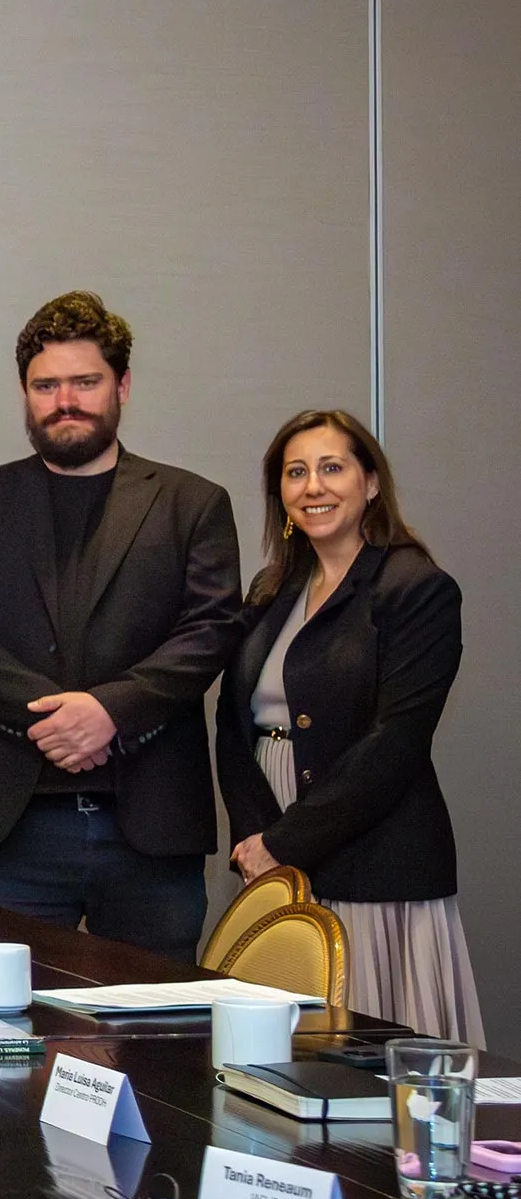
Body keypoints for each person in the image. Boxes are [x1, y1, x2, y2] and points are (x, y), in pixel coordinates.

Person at [0, 292, 241, 959]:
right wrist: (57, 718)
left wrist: (110, 711)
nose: (65, 399)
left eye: (85, 381)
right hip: (6, 827)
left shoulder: (192, 503)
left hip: (149, 822)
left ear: (122, 384)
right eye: (46, 385)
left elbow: (209, 629)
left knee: (159, 1039)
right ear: (25, 393)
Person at [217, 410, 478, 1041]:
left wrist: (287, 843)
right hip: (274, 852)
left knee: (372, 1056)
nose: (314, 487)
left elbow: (397, 741)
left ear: (371, 483)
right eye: (296, 472)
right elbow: (233, 723)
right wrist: (260, 842)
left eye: (332, 468)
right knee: (279, 1063)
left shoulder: (416, 588)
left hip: (376, 856)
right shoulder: (272, 589)